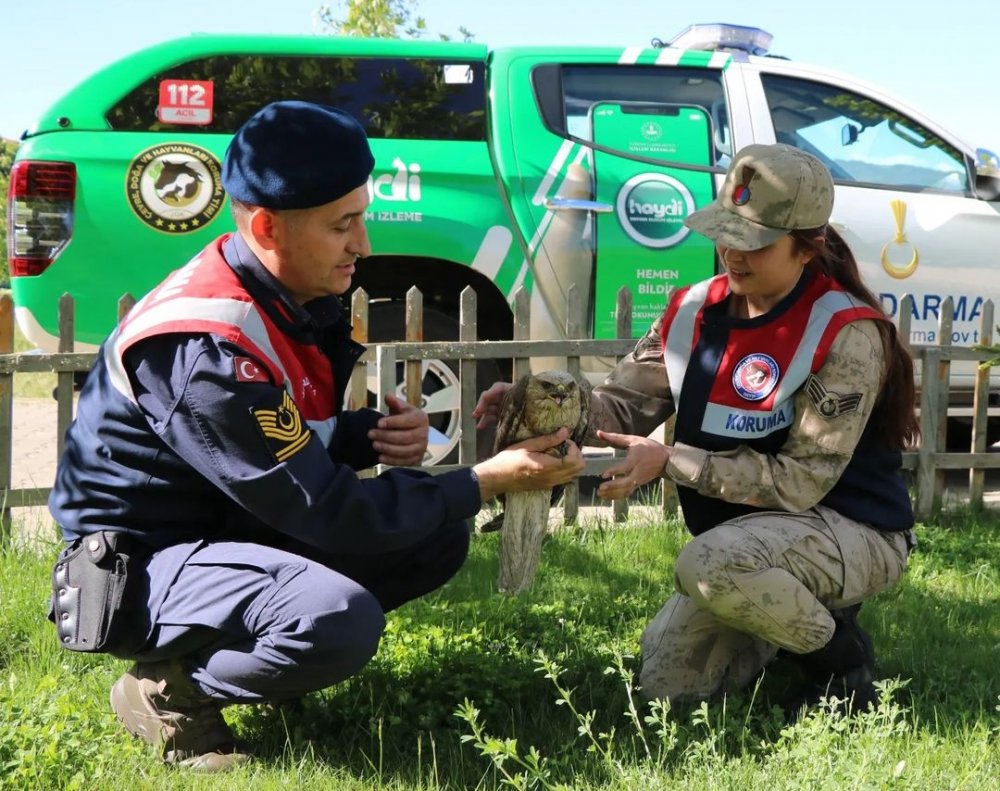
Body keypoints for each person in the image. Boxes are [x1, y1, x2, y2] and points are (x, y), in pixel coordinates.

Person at [48, 100, 585, 773]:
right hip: (137, 565)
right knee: (336, 616)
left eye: (361, 217)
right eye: (344, 226)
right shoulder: (208, 350)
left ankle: (260, 659)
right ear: (269, 226)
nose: (363, 245)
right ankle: (166, 690)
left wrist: (369, 436)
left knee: (434, 532)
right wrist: (484, 480)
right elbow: (328, 511)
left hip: (219, 526)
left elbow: (277, 438)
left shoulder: (277, 292)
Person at [474, 143, 918, 714]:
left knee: (707, 567)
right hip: (744, 539)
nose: (731, 252)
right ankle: (783, 618)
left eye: (753, 242)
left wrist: (673, 463)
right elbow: (619, 407)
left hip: (853, 530)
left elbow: (802, 483)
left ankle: (842, 660)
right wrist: (537, 402)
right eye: (723, 231)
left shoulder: (847, 332)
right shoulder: (691, 311)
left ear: (806, 248)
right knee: (665, 685)